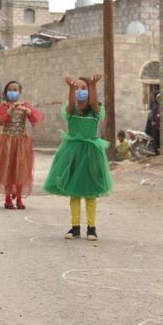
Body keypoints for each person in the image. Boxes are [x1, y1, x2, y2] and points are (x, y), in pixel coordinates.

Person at [43, 74, 112, 241]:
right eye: (77, 88)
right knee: (74, 192)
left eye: (84, 88)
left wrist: (94, 85)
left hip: (91, 153)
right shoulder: (71, 109)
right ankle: (75, 228)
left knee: (91, 192)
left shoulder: (95, 110)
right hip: (72, 152)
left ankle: (92, 228)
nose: (80, 91)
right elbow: (71, 104)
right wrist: (70, 89)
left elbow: (94, 104)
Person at [0, 81, 43, 209]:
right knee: (8, 169)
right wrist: (10, 110)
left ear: (20, 92)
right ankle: (8, 198)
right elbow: (0, 120)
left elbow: (36, 118)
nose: (13, 92)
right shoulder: (3, 107)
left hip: (21, 142)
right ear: (6, 92)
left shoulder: (24, 105)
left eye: (15, 89)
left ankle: (20, 198)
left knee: (21, 170)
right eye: (10, 89)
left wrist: (28, 111)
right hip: (7, 142)